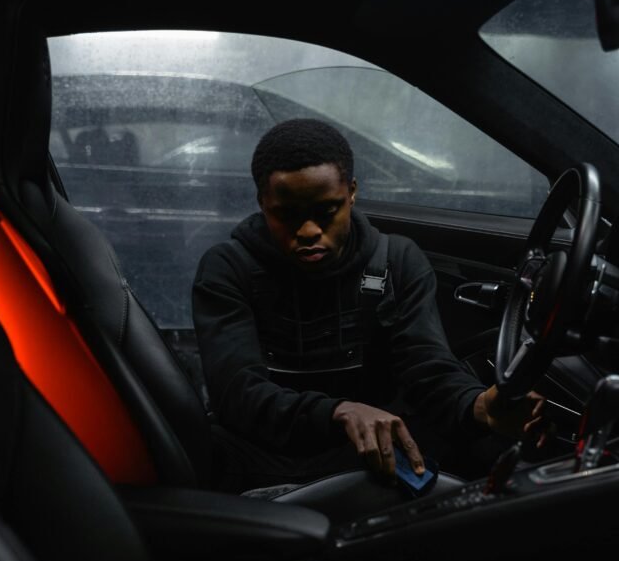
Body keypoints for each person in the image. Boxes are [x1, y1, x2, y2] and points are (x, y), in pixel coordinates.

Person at [192, 118, 541, 492]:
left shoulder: (396, 262)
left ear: (352, 193)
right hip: (260, 459)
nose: (308, 231)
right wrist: (339, 412)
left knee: (490, 449)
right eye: (287, 215)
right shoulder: (227, 268)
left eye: (326, 211)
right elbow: (238, 395)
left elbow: (428, 368)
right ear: (262, 202)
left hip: (371, 457)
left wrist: (478, 405)